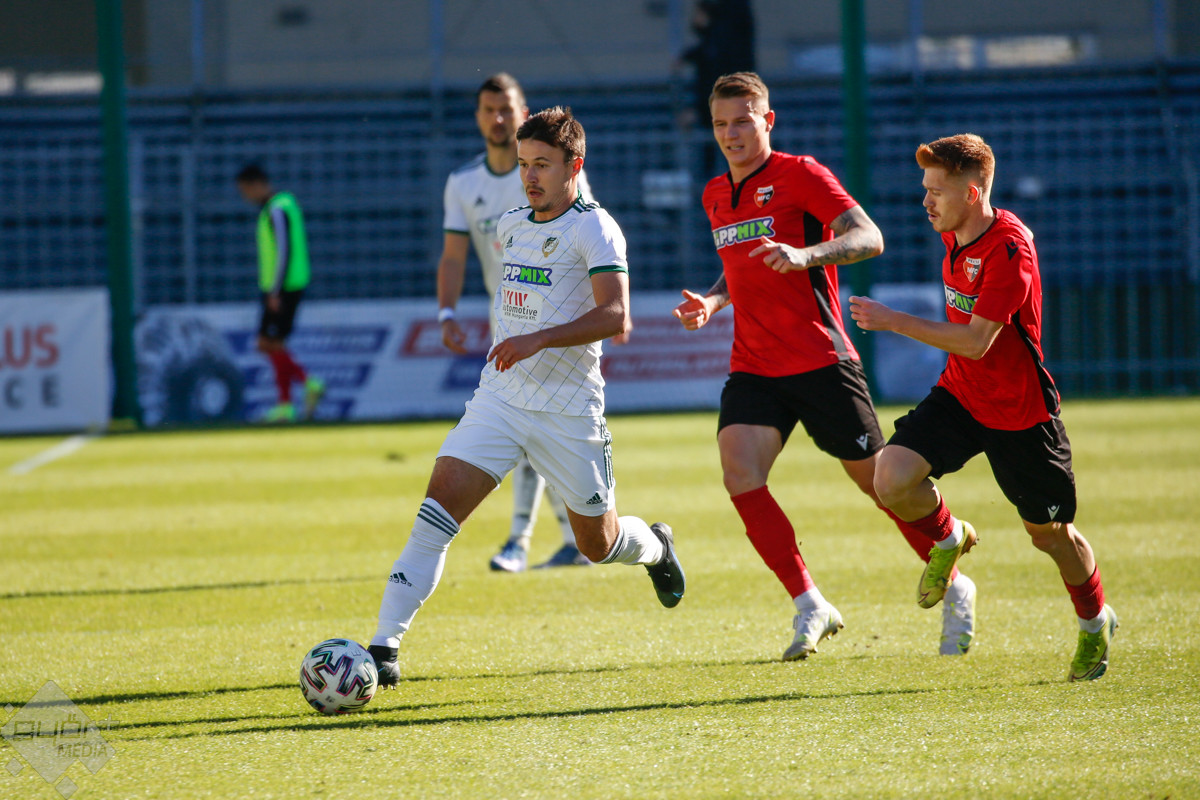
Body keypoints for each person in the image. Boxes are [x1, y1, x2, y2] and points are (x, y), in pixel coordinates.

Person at [368, 106, 685, 686]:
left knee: (599, 544)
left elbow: (616, 314)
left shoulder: (596, 228)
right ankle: (383, 649)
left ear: (574, 166)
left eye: (542, 164)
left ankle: (657, 548)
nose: (529, 176)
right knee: (436, 511)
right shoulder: (512, 224)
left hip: (569, 409)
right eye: (522, 164)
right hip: (501, 398)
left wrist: (539, 338)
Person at [672, 71, 977, 661]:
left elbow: (869, 236)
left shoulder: (802, 174)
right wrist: (712, 301)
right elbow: (740, 267)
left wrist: (806, 254)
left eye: (743, 121)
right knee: (740, 474)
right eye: (720, 124)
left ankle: (954, 569)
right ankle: (810, 603)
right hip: (754, 364)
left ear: (768, 121)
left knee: (882, 486)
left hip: (820, 359)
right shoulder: (714, 193)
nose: (731, 134)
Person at [848, 133, 1118, 681]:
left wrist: (893, 320)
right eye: (925, 188)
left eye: (936, 191)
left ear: (972, 194)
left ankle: (1095, 623)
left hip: (1020, 413)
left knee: (1050, 536)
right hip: (963, 394)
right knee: (891, 479)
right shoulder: (957, 231)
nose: (926, 201)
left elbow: (976, 342)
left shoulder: (1008, 251)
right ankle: (950, 537)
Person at [438, 73, 598, 572]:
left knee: (536, 432)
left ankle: (522, 541)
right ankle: (567, 541)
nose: (498, 118)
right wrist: (446, 311)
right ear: (477, 117)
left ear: (522, 112)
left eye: (506, 108)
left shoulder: (552, 169)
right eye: (489, 109)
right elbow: (453, 256)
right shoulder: (463, 183)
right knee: (530, 432)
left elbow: (591, 231)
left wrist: (610, 305)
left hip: (564, 319)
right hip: (509, 321)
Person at [235, 164, 324, 423]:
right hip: (283, 286)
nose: (245, 196)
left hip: (283, 287)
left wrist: (275, 291)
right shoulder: (281, 206)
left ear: (256, 185)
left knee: (267, 343)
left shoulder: (276, 209)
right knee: (274, 345)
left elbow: (284, 249)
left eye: (245, 190)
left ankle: (309, 383)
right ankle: (286, 405)